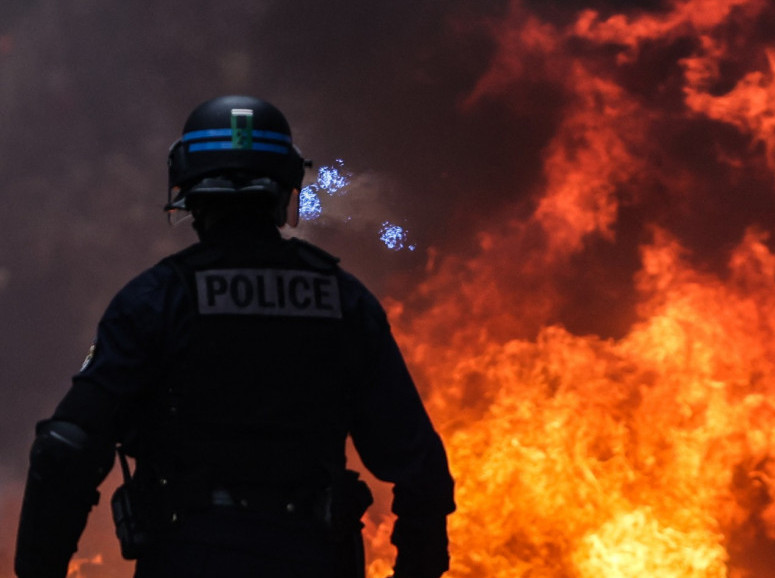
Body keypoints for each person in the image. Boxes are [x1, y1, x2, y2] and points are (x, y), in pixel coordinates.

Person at [14, 95, 456, 578]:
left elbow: (67, 448)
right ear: (285, 187)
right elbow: (422, 469)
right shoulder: (345, 303)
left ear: (188, 188)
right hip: (315, 558)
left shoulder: (157, 300)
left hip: (189, 558)